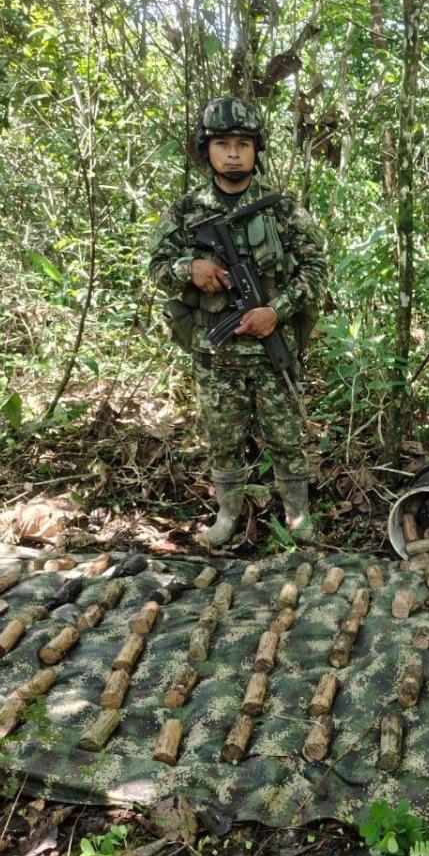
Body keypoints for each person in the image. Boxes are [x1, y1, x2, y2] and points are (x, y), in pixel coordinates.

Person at [149, 96, 327, 547]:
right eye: (222, 143)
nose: (233, 153)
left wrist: (277, 310)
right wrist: (188, 269)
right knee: (221, 440)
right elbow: (156, 267)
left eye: (243, 143)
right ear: (205, 149)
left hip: (273, 350)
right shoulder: (187, 211)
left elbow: (316, 270)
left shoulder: (281, 209)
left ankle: (297, 517)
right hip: (216, 353)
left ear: (256, 149)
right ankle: (228, 516)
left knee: (287, 438)